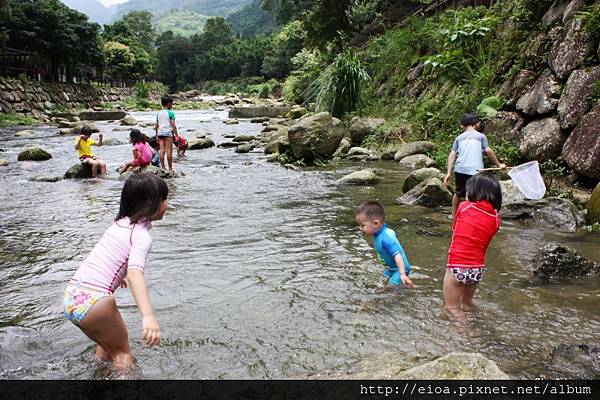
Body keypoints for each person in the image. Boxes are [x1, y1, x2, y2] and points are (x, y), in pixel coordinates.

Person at [63, 173, 168, 371]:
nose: (167, 204)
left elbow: (107, 257)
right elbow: (136, 274)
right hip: (96, 302)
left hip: (73, 298)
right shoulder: (141, 236)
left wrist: (120, 276)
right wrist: (148, 316)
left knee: (107, 345)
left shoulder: (118, 224)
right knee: (123, 354)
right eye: (164, 199)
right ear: (151, 204)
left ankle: (99, 376)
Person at [443, 172, 502, 313]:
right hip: (477, 270)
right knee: (467, 301)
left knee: (451, 307)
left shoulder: (464, 207)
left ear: (475, 192)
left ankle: (468, 334)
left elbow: (455, 228)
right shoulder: (495, 220)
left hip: (457, 266)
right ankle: (482, 317)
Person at [443, 113, 505, 217]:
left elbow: (452, 154)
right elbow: (488, 151)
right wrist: (499, 164)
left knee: (458, 193)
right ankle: (474, 215)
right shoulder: (481, 136)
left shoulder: (459, 138)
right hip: (476, 170)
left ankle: (453, 215)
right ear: (477, 124)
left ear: (462, 126)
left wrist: (449, 172)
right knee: (476, 193)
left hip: (460, 169)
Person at [355, 201, 414, 288]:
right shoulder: (377, 233)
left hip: (399, 269)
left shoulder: (386, 238)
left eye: (362, 225)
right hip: (391, 268)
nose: (360, 228)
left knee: (390, 289)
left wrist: (402, 274)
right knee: (382, 284)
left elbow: (397, 255)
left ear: (375, 223)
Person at [155, 96, 179, 174]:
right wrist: (176, 135)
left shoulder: (158, 113)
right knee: (169, 150)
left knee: (161, 150)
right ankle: (170, 168)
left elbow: (157, 125)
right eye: (171, 104)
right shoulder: (170, 113)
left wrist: (156, 135)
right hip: (168, 133)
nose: (172, 106)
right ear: (168, 104)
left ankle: (162, 167)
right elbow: (173, 124)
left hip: (160, 133)